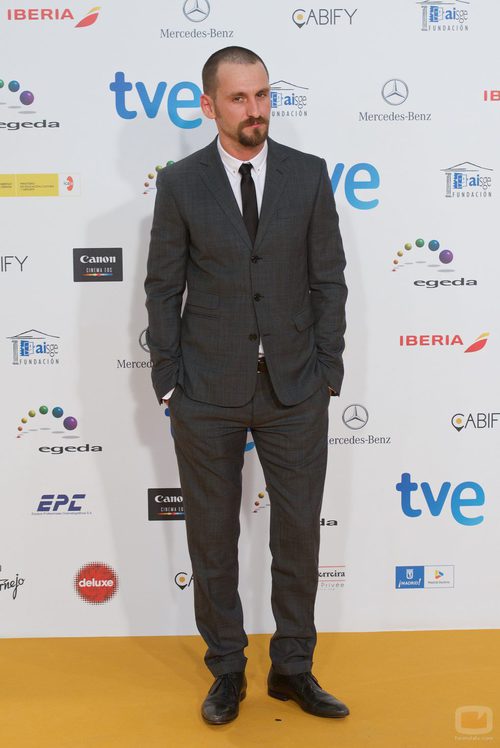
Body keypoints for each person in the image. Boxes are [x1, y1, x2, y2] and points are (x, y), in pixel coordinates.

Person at [145, 46, 348, 725]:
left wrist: (327, 372)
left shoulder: (308, 174)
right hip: (206, 390)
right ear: (209, 106)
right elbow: (162, 288)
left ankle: (293, 668)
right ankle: (227, 669)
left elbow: (328, 280)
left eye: (262, 95)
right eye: (239, 98)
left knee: (298, 536)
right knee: (211, 540)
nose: (255, 109)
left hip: (296, 389)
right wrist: (169, 382)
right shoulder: (181, 184)